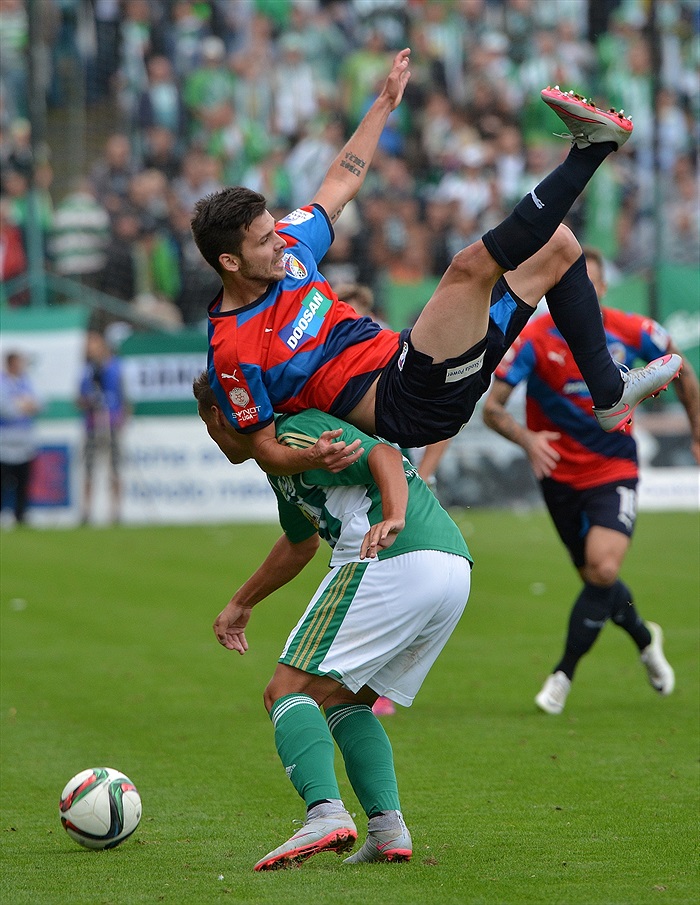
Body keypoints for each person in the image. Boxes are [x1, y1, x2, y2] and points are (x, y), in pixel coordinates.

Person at [191, 48, 681, 479]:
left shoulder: (290, 248)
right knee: (469, 268)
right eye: (264, 241)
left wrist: (383, 104)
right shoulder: (232, 351)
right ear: (229, 261)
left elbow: (339, 183)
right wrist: (310, 457)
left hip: (426, 370)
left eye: (274, 230)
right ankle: (591, 150)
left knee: (558, 246)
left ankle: (608, 391)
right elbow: (259, 448)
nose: (279, 242)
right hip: (404, 401)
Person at [193, 371, 473, 870]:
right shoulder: (278, 457)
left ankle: (324, 814)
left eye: (208, 425)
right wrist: (243, 601)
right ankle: (387, 829)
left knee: (285, 691)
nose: (212, 438)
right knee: (347, 700)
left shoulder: (293, 431)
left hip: (392, 556)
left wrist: (393, 516)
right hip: (450, 566)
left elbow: (384, 455)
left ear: (219, 414)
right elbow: (299, 542)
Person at [482, 246, 700, 714]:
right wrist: (527, 439)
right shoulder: (535, 339)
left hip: (613, 469)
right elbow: (492, 409)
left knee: (602, 569)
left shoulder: (631, 330)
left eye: (587, 283)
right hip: (557, 476)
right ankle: (644, 639)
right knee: (597, 579)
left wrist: (697, 434)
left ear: (599, 288)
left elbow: (682, 371)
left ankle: (562, 675)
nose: (578, 290)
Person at [76, 331, 129, 525]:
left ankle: (116, 511)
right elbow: (79, 398)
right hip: (92, 424)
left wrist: (121, 419)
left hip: (112, 422)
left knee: (115, 467)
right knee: (89, 468)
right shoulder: (87, 370)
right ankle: (86, 511)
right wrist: (89, 401)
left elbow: (125, 397)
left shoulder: (116, 367)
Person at [0, 350, 41, 525]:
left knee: (23, 482)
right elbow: (5, 408)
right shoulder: (2, 383)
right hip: (4, 441)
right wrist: (23, 406)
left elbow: (40, 403)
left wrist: (23, 405)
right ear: (10, 364)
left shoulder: (26, 381)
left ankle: (21, 515)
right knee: (3, 482)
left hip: (24, 441)